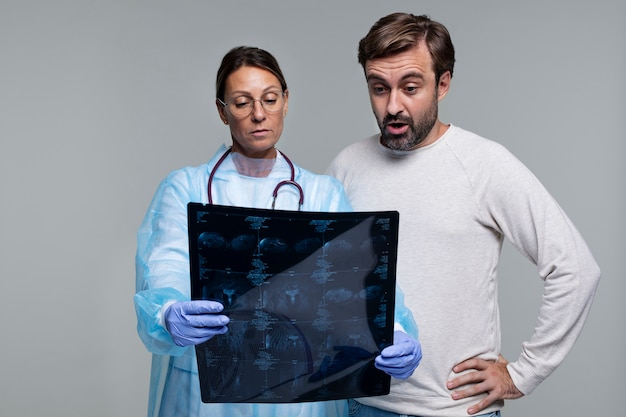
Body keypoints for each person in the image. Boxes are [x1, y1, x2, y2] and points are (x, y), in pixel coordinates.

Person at [326, 12, 601, 417]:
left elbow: (576, 269)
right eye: (379, 88)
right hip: (360, 405)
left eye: (411, 87)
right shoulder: (347, 167)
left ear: (443, 84)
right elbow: (324, 283)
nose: (393, 106)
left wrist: (523, 374)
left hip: (455, 410)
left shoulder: (484, 164)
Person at [134, 45, 422, 417]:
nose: (258, 114)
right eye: (241, 103)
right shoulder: (185, 188)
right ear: (222, 111)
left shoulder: (322, 194)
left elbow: (360, 282)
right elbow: (165, 265)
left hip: (300, 390)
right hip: (207, 390)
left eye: (270, 99)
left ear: (286, 101)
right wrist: (168, 311)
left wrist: (395, 331)